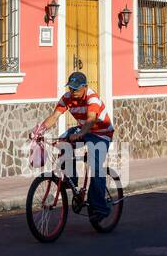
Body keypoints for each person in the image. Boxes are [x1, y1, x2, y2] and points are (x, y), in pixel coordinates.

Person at [32, 71, 114, 225]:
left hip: (101, 133)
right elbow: (54, 116)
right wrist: (40, 130)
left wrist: (81, 133)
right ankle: (73, 182)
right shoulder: (67, 98)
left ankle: (101, 209)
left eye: (76, 89)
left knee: (97, 169)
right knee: (63, 142)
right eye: (70, 88)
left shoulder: (92, 98)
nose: (72, 91)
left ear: (85, 87)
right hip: (83, 130)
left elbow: (91, 119)